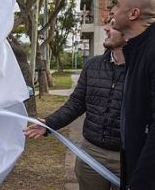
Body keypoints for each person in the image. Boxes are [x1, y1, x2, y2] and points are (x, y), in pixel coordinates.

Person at [23, 18, 126, 190]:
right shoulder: (92, 65)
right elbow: (77, 103)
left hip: (129, 157)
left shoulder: (144, 67)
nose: (106, 28)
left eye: (113, 24)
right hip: (91, 154)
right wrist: (49, 124)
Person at [110, 0, 155, 190]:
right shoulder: (137, 49)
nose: (112, 13)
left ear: (133, 14)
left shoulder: (154, 50)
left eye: (118, 6)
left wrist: (140, 183)